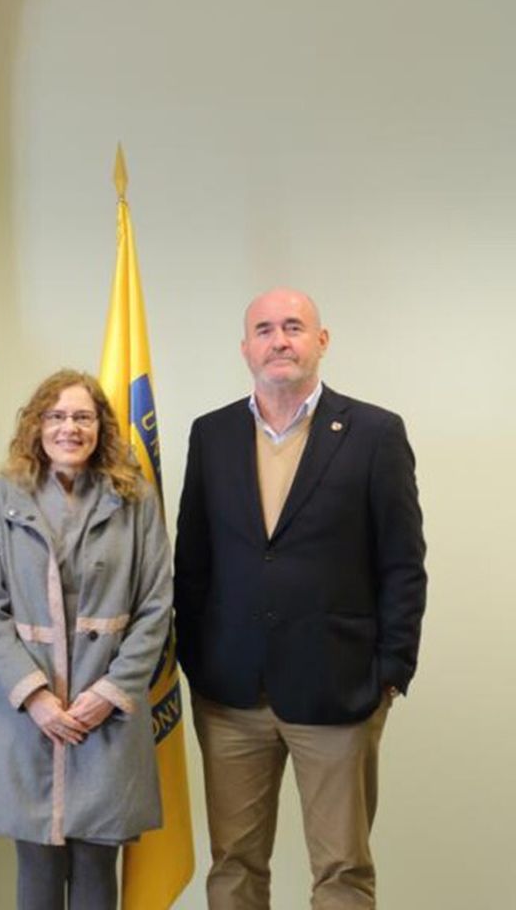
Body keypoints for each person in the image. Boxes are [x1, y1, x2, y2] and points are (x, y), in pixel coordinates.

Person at [175, 288, 427, 909]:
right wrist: (196, 660)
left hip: (339, 689)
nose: (278, 340)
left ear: (321, 341)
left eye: (293, 326)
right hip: (230, 692)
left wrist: (390, 672)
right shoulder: (211, 435)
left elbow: (403, 562)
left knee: (341, 869)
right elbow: (193, 560)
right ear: (245, 348)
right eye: (264, 329)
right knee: (233, 863)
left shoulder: (373, 432)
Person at [0, 369, 172, 910]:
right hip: (26, 711)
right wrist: (35, 697)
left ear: (101, 427)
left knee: (97, 858)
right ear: (36, 426)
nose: (69, 428)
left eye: (82, 416)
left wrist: (106, 695)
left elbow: (155, 608)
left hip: (108, 707)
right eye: (56, 416)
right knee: (36, 857)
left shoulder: (136, 501)